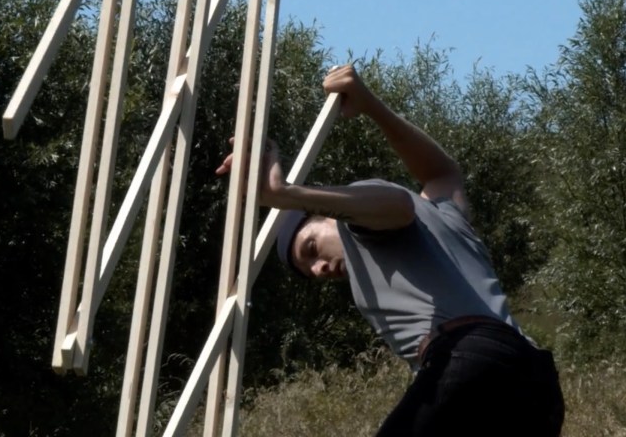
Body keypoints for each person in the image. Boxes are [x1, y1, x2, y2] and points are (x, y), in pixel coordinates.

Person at [215, 64, 565, 436]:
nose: (318, 268)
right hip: (536, 379)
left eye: (312, 247)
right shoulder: (444, 219)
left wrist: (284, 195)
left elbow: (397, 205)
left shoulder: (361, 226)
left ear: (327, 216)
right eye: (309, 269)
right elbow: (441, 174)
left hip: (470, 358)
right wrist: (370, 105)